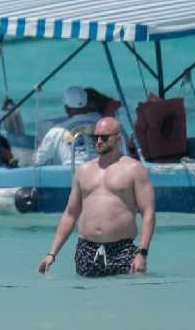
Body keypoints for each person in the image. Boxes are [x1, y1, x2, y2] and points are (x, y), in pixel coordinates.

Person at [38, 117, 155, 278]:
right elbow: (70, 214)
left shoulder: (134, 169)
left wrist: (142, 252)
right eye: (95, 137)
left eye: (104, 137)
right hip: (86, 250)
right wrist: (52, 254)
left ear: (118, 138)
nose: (98, 141)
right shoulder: (84, 170)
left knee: (127, 299)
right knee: (86, 300)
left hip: (122, 250)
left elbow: (148, 213)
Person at [34, 86, 102, 167]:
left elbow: (37, 160)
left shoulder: (57, 131)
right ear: (87, 104)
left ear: (66, 108)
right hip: (101, 172)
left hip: (72, 175)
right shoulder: (104, 123)